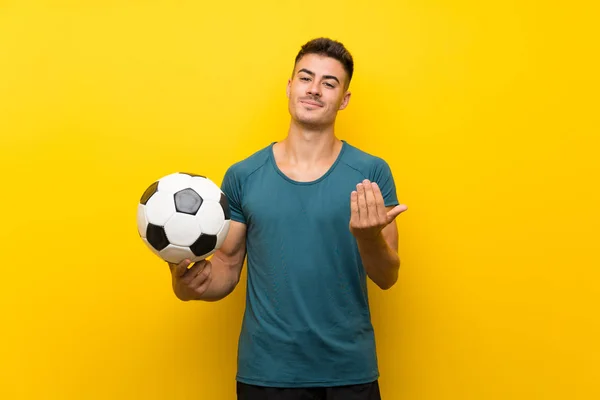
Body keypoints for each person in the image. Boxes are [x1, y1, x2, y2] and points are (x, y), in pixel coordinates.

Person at [168, 37, 408, 400]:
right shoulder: (242, 176)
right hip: (267, 374)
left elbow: (387, 276)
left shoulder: (370, 174)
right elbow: (227, 266)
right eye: (305, 78)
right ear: (290, 85)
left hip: (348, 371)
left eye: (329, 83)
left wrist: (368, 237)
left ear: (343, 99)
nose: (314, 90)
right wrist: (189, 287)